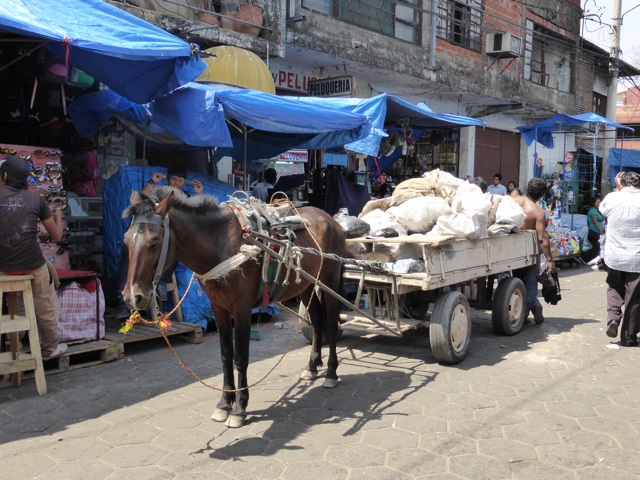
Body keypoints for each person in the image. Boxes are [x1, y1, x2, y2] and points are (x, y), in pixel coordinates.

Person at [0, 156, 67, 358]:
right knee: (47, 305)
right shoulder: (36, 200)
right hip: (32, 264)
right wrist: (57, 217)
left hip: (2, 268)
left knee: (17, 305)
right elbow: (56, 237)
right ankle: (49, 348)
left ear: (4, 176)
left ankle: (15, 349)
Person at [116, 165, 202, 319]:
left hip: (168, 240)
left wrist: (198, 194)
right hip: (147, 235)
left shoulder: (186, 198)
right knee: (128, 255)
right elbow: (138, 200)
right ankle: (124, 306)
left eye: (180, 180)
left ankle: (162, 280)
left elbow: (194, 216)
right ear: (168, 178)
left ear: (184, 182)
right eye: (173, 179)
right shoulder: (157, 192)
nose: (176, 183)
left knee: (170, 248)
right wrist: (152, 181)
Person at [599, 171, 640, 345]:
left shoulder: (613, 198)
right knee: (634, 298)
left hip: (614, 257)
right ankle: (629, 338)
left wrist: (618, 188)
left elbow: (603, 211)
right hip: (637, 259)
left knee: (614, 287)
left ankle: (613, 318)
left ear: (621, 182)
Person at [511, 178, 558, 324]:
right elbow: (543, 238)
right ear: (542, 195)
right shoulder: (538, 212)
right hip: (529, 252)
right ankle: (523, 315)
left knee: (513, 280)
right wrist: (550, 260)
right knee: (530, 284)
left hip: (509, 249)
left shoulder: (513, 201)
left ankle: (532, 306)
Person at [580, 196, 605, 264]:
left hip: (596, 231)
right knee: (596, 247)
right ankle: (584, 258)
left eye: (600, 202)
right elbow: (595, 222)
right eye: (598, 202)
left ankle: (591, 260)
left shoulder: (596, 211)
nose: (599, 203)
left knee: (597, 247)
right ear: (594, 203)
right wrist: (600, 229)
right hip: (594, 232)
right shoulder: (593, 211)